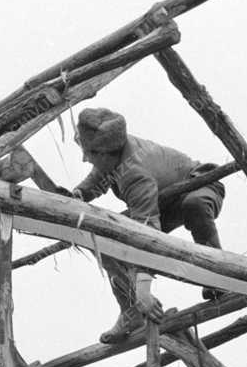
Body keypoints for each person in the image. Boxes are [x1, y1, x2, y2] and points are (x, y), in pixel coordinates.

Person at [70, 107, 226, 344]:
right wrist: (80, 193)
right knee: (110, 245)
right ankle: (130, 311)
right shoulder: (113, 152)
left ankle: (216, 274)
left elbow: (147, 234)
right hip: (161, 201)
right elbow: (102, 174)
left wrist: (143, 289)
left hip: (196, 185)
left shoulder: (135, 174)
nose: (85, 158)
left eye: (90, 154)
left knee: (194, 205)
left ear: (106, 154)